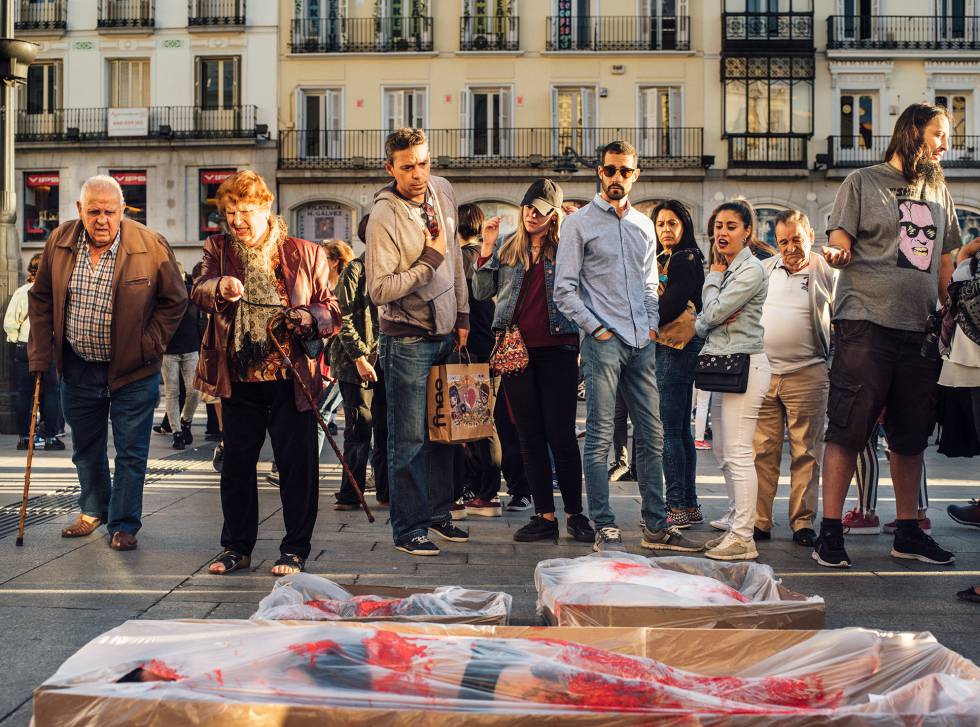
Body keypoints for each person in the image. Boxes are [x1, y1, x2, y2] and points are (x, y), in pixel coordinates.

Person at [815, 103, 961, 568]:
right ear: (913, 132)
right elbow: (841, 242)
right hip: (865, 323)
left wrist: (949, 316)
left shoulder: (938, 190)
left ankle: (908, 533)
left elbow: (944, 262)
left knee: (911, 435)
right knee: (847, 428)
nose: (945, 144)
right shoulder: (862, 182)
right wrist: (837, 255)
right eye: (938, 134)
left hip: (919, 331)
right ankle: (831, 533)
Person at [554, 140, 701, 554]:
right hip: (604, 342)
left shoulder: (641, 226)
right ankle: (604, 524)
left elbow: (650, 283)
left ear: (635, 175)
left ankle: (656, 525)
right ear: (600, 173)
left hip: (641, 342)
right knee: (600, 436)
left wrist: (651, 323)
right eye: (610, 170)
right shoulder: (579, 224)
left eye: (625, 171)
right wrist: (595, 329)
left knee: (652, 436)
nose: (617, 177)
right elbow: (564, 290)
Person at [28, 175, 187, 551]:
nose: (102, 219)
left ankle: (124, 522)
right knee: (86, 446)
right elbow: (42, 299)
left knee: (131, 450)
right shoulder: (60, 242)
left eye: (110, 212)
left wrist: (150, 343)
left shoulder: (149, 245)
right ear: (80, 210)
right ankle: (93, 509)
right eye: (94, 211)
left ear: (122, 211)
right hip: (79, 364)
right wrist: (40, 355)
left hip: (134, 369)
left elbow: (176, 300)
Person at [194, 170, 341, 576]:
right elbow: (199, 287)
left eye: (243, 211)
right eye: (229, 213)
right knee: (237, 463)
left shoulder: (305, 252)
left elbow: (332, 309)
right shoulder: (218, 248)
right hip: (238, 375)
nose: (236, 221)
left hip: (291, 375)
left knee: (297, 464)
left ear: (265, 208)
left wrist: (307, 316)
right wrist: (218, 286)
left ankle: (294, 549)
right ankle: (236, 547)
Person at [365, 128, 470, 557]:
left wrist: (463, 314)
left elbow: (457, 259)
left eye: (423, 163)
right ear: (390, 168)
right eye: (407, 167)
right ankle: (409, 527)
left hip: (446, 333)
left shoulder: (442, 190)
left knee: (444, 433)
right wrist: (428, 262)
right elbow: (379, 289)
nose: (418, 174)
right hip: (406, 340)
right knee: (408, 439)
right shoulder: (383, 216)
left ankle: (439, 513)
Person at [473, 179, 593, 544]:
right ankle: (544, 516)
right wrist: (487, 247)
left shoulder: (569, 247)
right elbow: (481, 292)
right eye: (527, 207)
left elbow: (592, 279)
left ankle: (575, 514)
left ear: (553, 213)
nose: (531, 213)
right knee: (529, 435)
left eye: (540, 208)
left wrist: (579, 227)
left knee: (562, 435)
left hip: (559, 349)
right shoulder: (509, 248)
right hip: (516, 353)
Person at [753, 210, 837, 547]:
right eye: (783, 241)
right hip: (765, 372)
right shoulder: (764, 270)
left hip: (808, 371)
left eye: (796, 240)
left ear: (810, 236)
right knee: (762, 451)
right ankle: (760, 521)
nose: (790, 248)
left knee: (807, 452)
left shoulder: (827, 271)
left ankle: (803, 523)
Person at [697, 201, 771, 561]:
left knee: (739, 452)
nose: (721, 233)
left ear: (746, 233)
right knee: (724, 451)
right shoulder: (732, 270)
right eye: (718, 226)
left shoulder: (749, 270)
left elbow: (711, 313)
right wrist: (711, 314)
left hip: (746, 365)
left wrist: (711, 278)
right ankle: (735, 523)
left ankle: (744, 535)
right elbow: (711, 318)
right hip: (726, 364)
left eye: (730, 226)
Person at [652, 200, 706, 529]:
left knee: (670, 431)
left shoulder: (684, 259)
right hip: (680, 346)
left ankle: (675, 506)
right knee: (682, 430)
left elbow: (670, 307)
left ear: (684, 226)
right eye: (661, 224)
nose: (666, 230)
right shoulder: (670, 258)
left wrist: (644, 320)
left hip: (674, 346)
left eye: (672, 223)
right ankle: (689, 502)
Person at [328, 217, 389, 509]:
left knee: (386, 427)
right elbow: (343, 317)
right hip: (356, 362)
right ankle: (351, 494)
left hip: (386, 357)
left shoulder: (390, 268)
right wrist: (360, 357)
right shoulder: (355, 269)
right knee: (359, 428)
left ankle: (386, 491)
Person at [455, 203, 504, 518]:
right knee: (483, 421)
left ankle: (486, 493)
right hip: (492, 345)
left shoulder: (459, 259)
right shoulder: (487, 257)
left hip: (469, 345)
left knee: (474, 424)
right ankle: (483, 490)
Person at [5, 253, 64, 450]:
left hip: (24, 346)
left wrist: (19, 340)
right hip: (49, 346)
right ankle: (50, 438)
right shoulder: (55, 292)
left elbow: (10, 322)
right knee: (51, 394)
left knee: (24, 393)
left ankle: (23, 437)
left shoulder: (21, 292)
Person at [162, 264, 203, 450]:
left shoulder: (191, 293)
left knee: (194, 391)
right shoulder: (160, 297)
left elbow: (202, 318)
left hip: (191, 348)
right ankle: (177, 432)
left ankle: (186, 421)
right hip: (168, 351)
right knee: (172, 393)